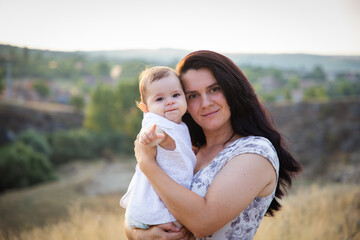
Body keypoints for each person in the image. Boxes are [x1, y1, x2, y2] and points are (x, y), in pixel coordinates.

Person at [125, 50, 302, 240]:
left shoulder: (255, 153)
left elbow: (203, 223)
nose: (205, 103)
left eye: (214, 89)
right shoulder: (186, 148)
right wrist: (141, 235)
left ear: (232, 90)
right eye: (193, 95)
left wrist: (146, 163)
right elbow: (136, 210)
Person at [120, 66, 197, 230]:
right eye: (159, 99)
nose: (169, 101)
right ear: (146, 109)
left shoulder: (181, 125)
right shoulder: (155, 122)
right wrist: (151, 136)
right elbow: (154, 131)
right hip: (155, 210)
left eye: (175, 95)